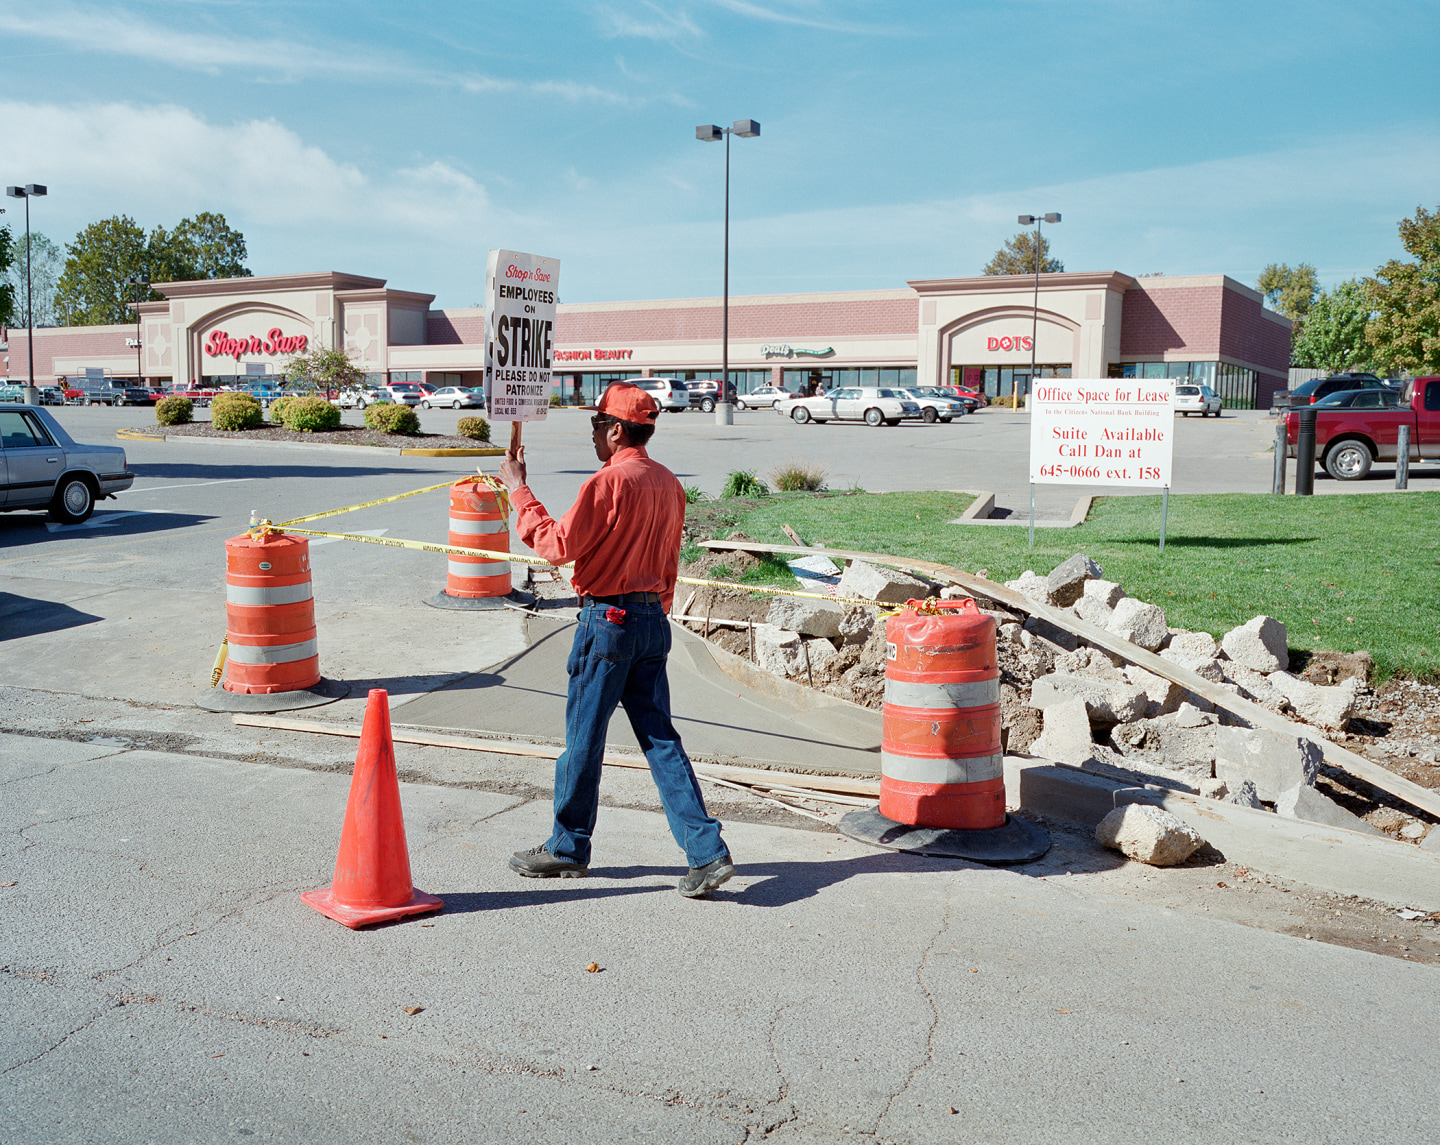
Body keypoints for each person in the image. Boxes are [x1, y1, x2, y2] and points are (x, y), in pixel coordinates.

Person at [497, 382, 735, 898]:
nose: (594, 435)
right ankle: (706, 852)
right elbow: (670, 562)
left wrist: (519, 489)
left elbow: (557, 546)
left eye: (597, 425)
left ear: (618, 430)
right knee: (660, 739)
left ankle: (567, 847)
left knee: (583, 737)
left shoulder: (608, 483)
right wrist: (654, 612)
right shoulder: (669, 483)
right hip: (652, 620)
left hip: (609, 622)